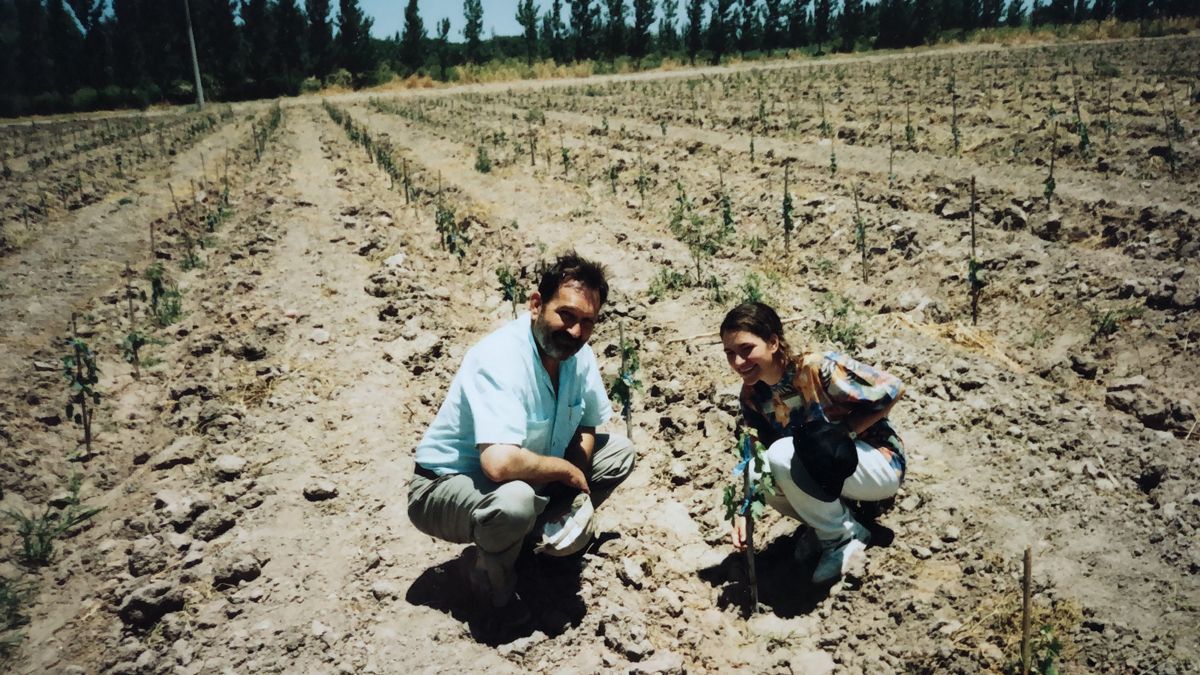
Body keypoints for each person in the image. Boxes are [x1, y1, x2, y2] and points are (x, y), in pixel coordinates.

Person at [407, 252, 636, 615]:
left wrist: (572, 490)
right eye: (566, 315)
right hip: (445, 485)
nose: (576, 331)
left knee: (619, 452)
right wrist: (566, 472)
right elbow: (498, 464)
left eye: (587, 322)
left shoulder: (579, 356)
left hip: (526, 477)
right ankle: (489, 584)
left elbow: (587, 423)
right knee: (515, 501)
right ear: (536, 305)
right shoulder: (500, 358)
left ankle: (537, 541)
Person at [719, 302, 906, 584]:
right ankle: (827, 525)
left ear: (773, 342)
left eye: (747, 349)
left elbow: (892, 388)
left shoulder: (817, 368)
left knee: (783, 453)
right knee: (761, 472)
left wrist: (845, 431)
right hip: (830, 473)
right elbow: (756, 454)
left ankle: (843, 537)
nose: (738, 362)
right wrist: (744, 509)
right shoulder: (752, 397)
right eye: (730, 354)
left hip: (876, 466)